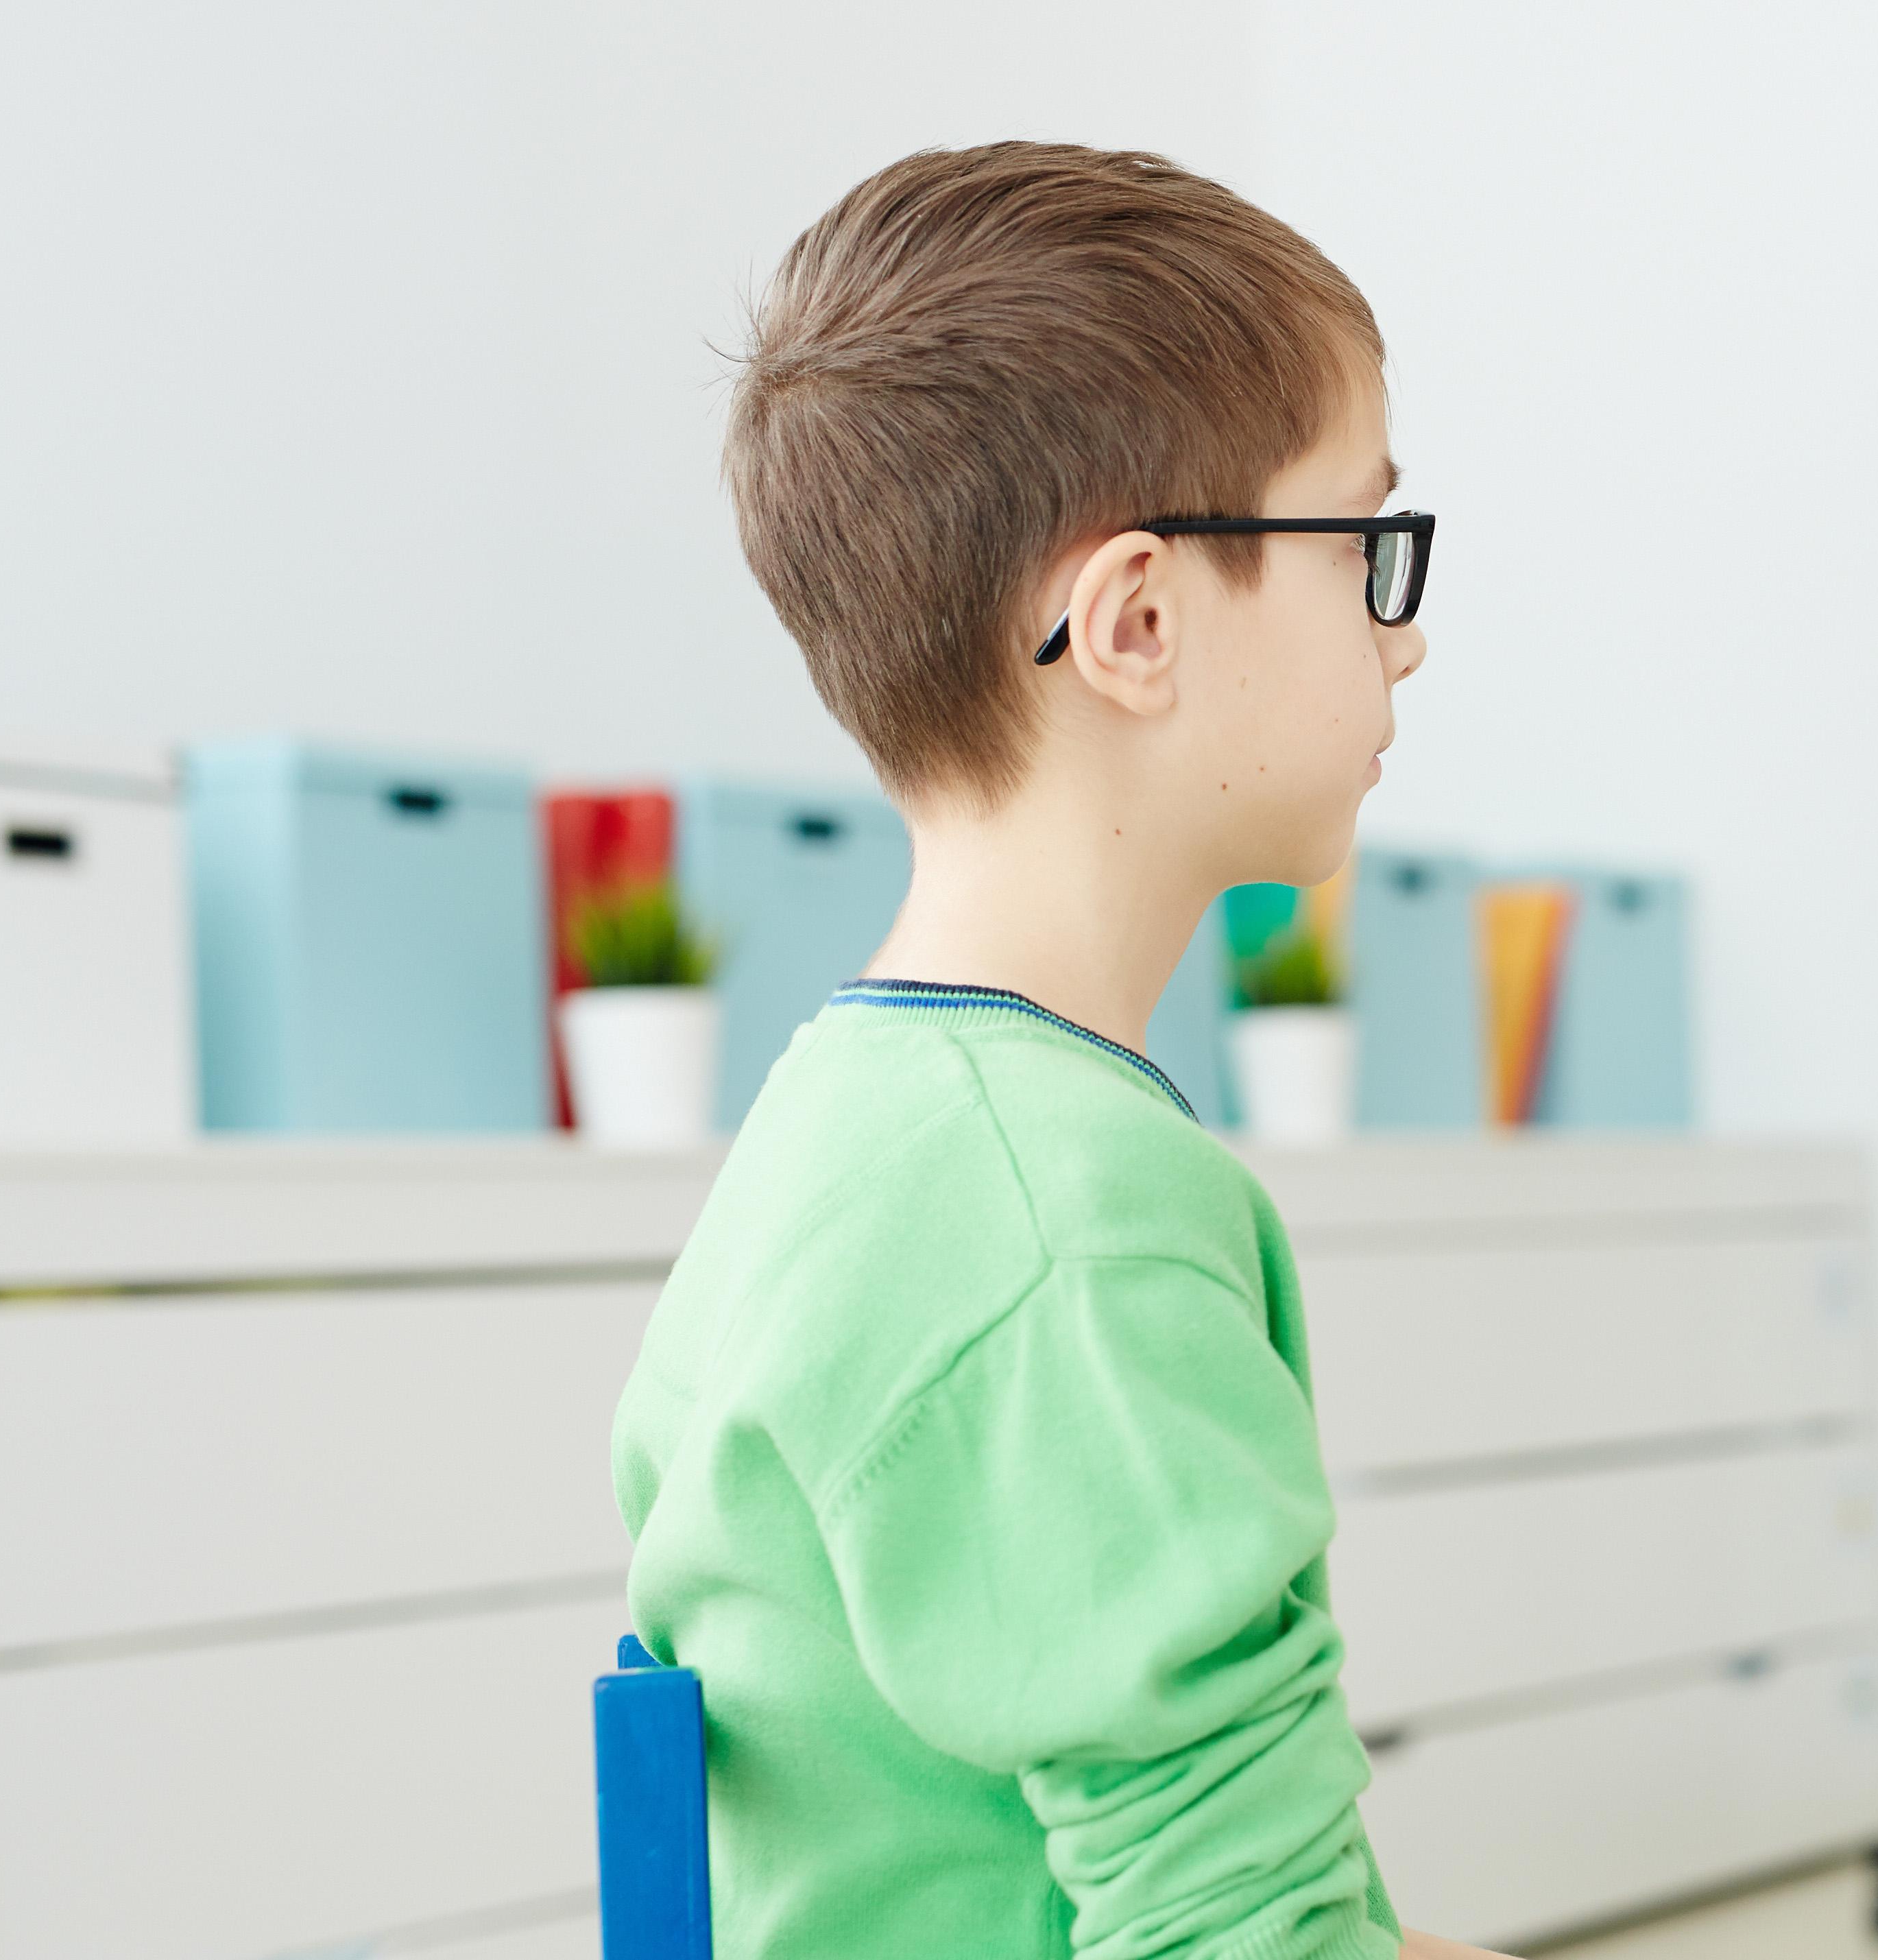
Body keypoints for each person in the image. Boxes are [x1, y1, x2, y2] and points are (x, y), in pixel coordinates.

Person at [610, 143, 1513, 1960]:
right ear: (1139, 622)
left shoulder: (839, 1131)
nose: (1403, 640)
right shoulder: (1064, 1220)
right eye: (1364, 549)